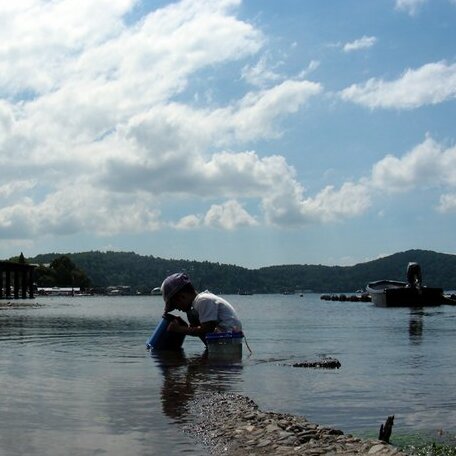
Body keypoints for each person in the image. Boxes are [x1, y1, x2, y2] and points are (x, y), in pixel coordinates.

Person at [160, 272, 242, 340]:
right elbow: (204, 328)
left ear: (182, 296)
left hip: (228, 340)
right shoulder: (198, 303)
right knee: (192, 316)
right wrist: (185, 326)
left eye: (175, 305)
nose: (177, 309)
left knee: (193, 317)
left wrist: (179, 329)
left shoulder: (203, 300)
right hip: (223, 340)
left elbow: (206, 330)